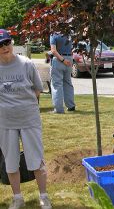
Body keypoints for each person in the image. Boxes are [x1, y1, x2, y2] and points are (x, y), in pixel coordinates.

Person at [0, 29, 52, 209]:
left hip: (29, 119)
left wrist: (24, 106)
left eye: (6, 43)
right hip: (5, 123)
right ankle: (17, 198)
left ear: (11, 43)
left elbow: (37, 89)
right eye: (0, 45)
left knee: (36, 159)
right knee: (11, 161)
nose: (4, 47)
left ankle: (44, 196)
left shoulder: (26, 64)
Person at [49, 31, 76, 113]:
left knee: (57, 84)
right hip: (70, 58)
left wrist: (62, 60)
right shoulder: (70, 34)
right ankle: (71, 106)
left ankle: (58, 109)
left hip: (58, 60)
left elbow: (53, 51)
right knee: (68, 83)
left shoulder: (54, 35)